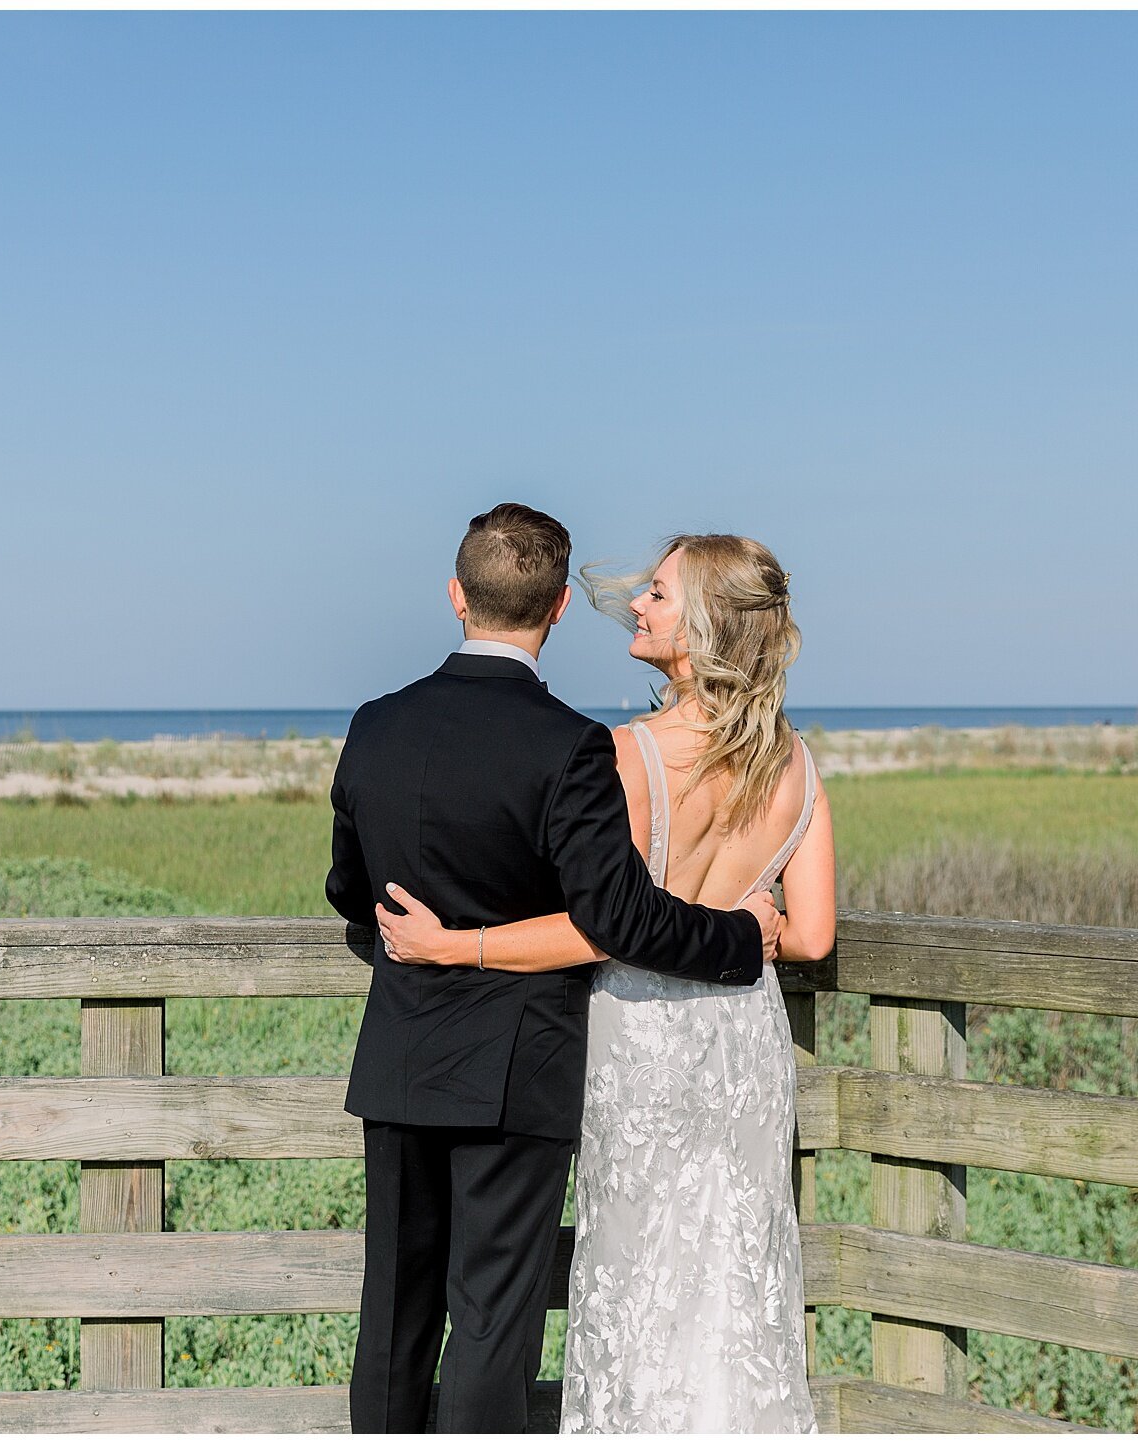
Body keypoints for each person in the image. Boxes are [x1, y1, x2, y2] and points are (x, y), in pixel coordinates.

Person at [326, 504, 784, 1434]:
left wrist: (420, 952)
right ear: (560, 610)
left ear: (457, 596)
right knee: (494, 1321)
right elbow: (617, 917)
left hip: (402, 1054)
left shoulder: (376, 726)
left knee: (395, 1312)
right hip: (518, 1067)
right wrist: (741, 940)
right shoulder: (567, 742)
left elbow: (350, 892)